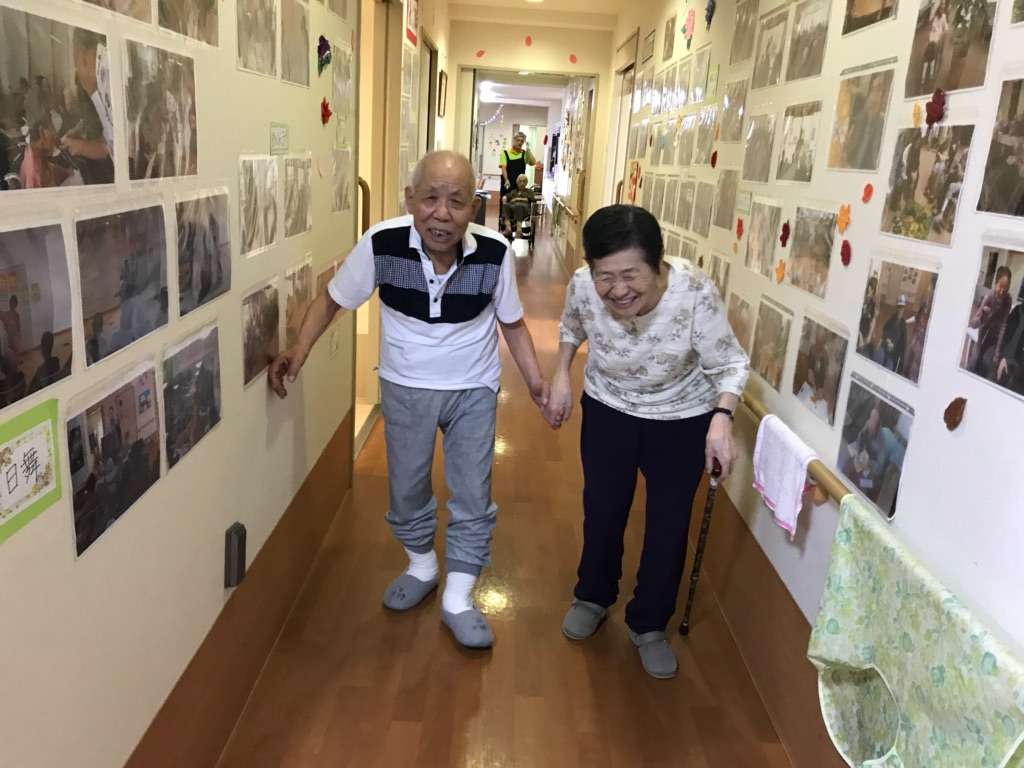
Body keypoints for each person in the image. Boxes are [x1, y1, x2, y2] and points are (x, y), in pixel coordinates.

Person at [269, 151, 549, 650]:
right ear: (409, 200)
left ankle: (458, 597)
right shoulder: (382, 243)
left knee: (472, 492)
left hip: (473, 386)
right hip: (405, 384)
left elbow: (511, 323)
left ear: (474, 208)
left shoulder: (495, 252)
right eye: (430, 198)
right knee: (406, 487)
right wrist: (300, 349)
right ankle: (421, 566)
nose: (442, 214)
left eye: (457, 202)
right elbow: (333, 298)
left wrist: (536, 383)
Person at [544, 205, 749, 679]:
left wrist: (721, 419)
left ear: (658, 263)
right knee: (602, 508)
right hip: (608, 407)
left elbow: (730, 363)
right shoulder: (582, 284)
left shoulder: (693, 290)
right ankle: (593, 596)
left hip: (681, 417)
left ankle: (650, 623)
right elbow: (572, 326)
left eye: (630, 275)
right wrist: (561, 375)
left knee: (668, 525)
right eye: (605, 276)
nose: (618, 290)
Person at [969, 266, 1011, 377]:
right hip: (981, 335)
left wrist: (997, 352)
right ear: (995, 283)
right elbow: (973, 325)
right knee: (973, 362)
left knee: (986, 363)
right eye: (1000, 286)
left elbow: (1003, 326)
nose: (1002, 291)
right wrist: (982, 311)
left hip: (993, 340)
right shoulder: (989, 297)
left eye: (1005, 288)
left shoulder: (1008, 300)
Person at [497, 132, 540, 203]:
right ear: (514, 140)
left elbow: (533, 162)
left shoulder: (524, 154)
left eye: (522, 141)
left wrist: (528, 150)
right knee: (505, 203)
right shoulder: (505, 153)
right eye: (518, 140)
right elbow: (504, 168)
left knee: (518, 205)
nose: (520, 143)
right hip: (508, 184)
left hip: (520, 185)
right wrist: (506, 179)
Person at [876, 294, 908, 372]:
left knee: (889, 368)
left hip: (894, 352)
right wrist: (888, 340)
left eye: (902, 308)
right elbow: (885, 329)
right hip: (886, 346)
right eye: (899, 307)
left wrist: (894, 346)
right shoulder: (893, 317)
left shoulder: (903, 323)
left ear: (904, 309)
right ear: (897, 308)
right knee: (879, 360)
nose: (900, 310)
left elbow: (903, 343)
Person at [501, 173, 536, 239]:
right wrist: (504, 198)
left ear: (526, 183)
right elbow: (507, 196)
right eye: (520, 181)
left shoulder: (529, 191)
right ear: (517, 183)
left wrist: (517, 199)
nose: (522, 183)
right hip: (512, 208)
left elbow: (533, 199)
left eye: (524, 181)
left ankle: (519, 230)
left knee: (518, 205)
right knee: (506, 206)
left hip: (524, 210)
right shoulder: (514, 191)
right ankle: (508, 228)